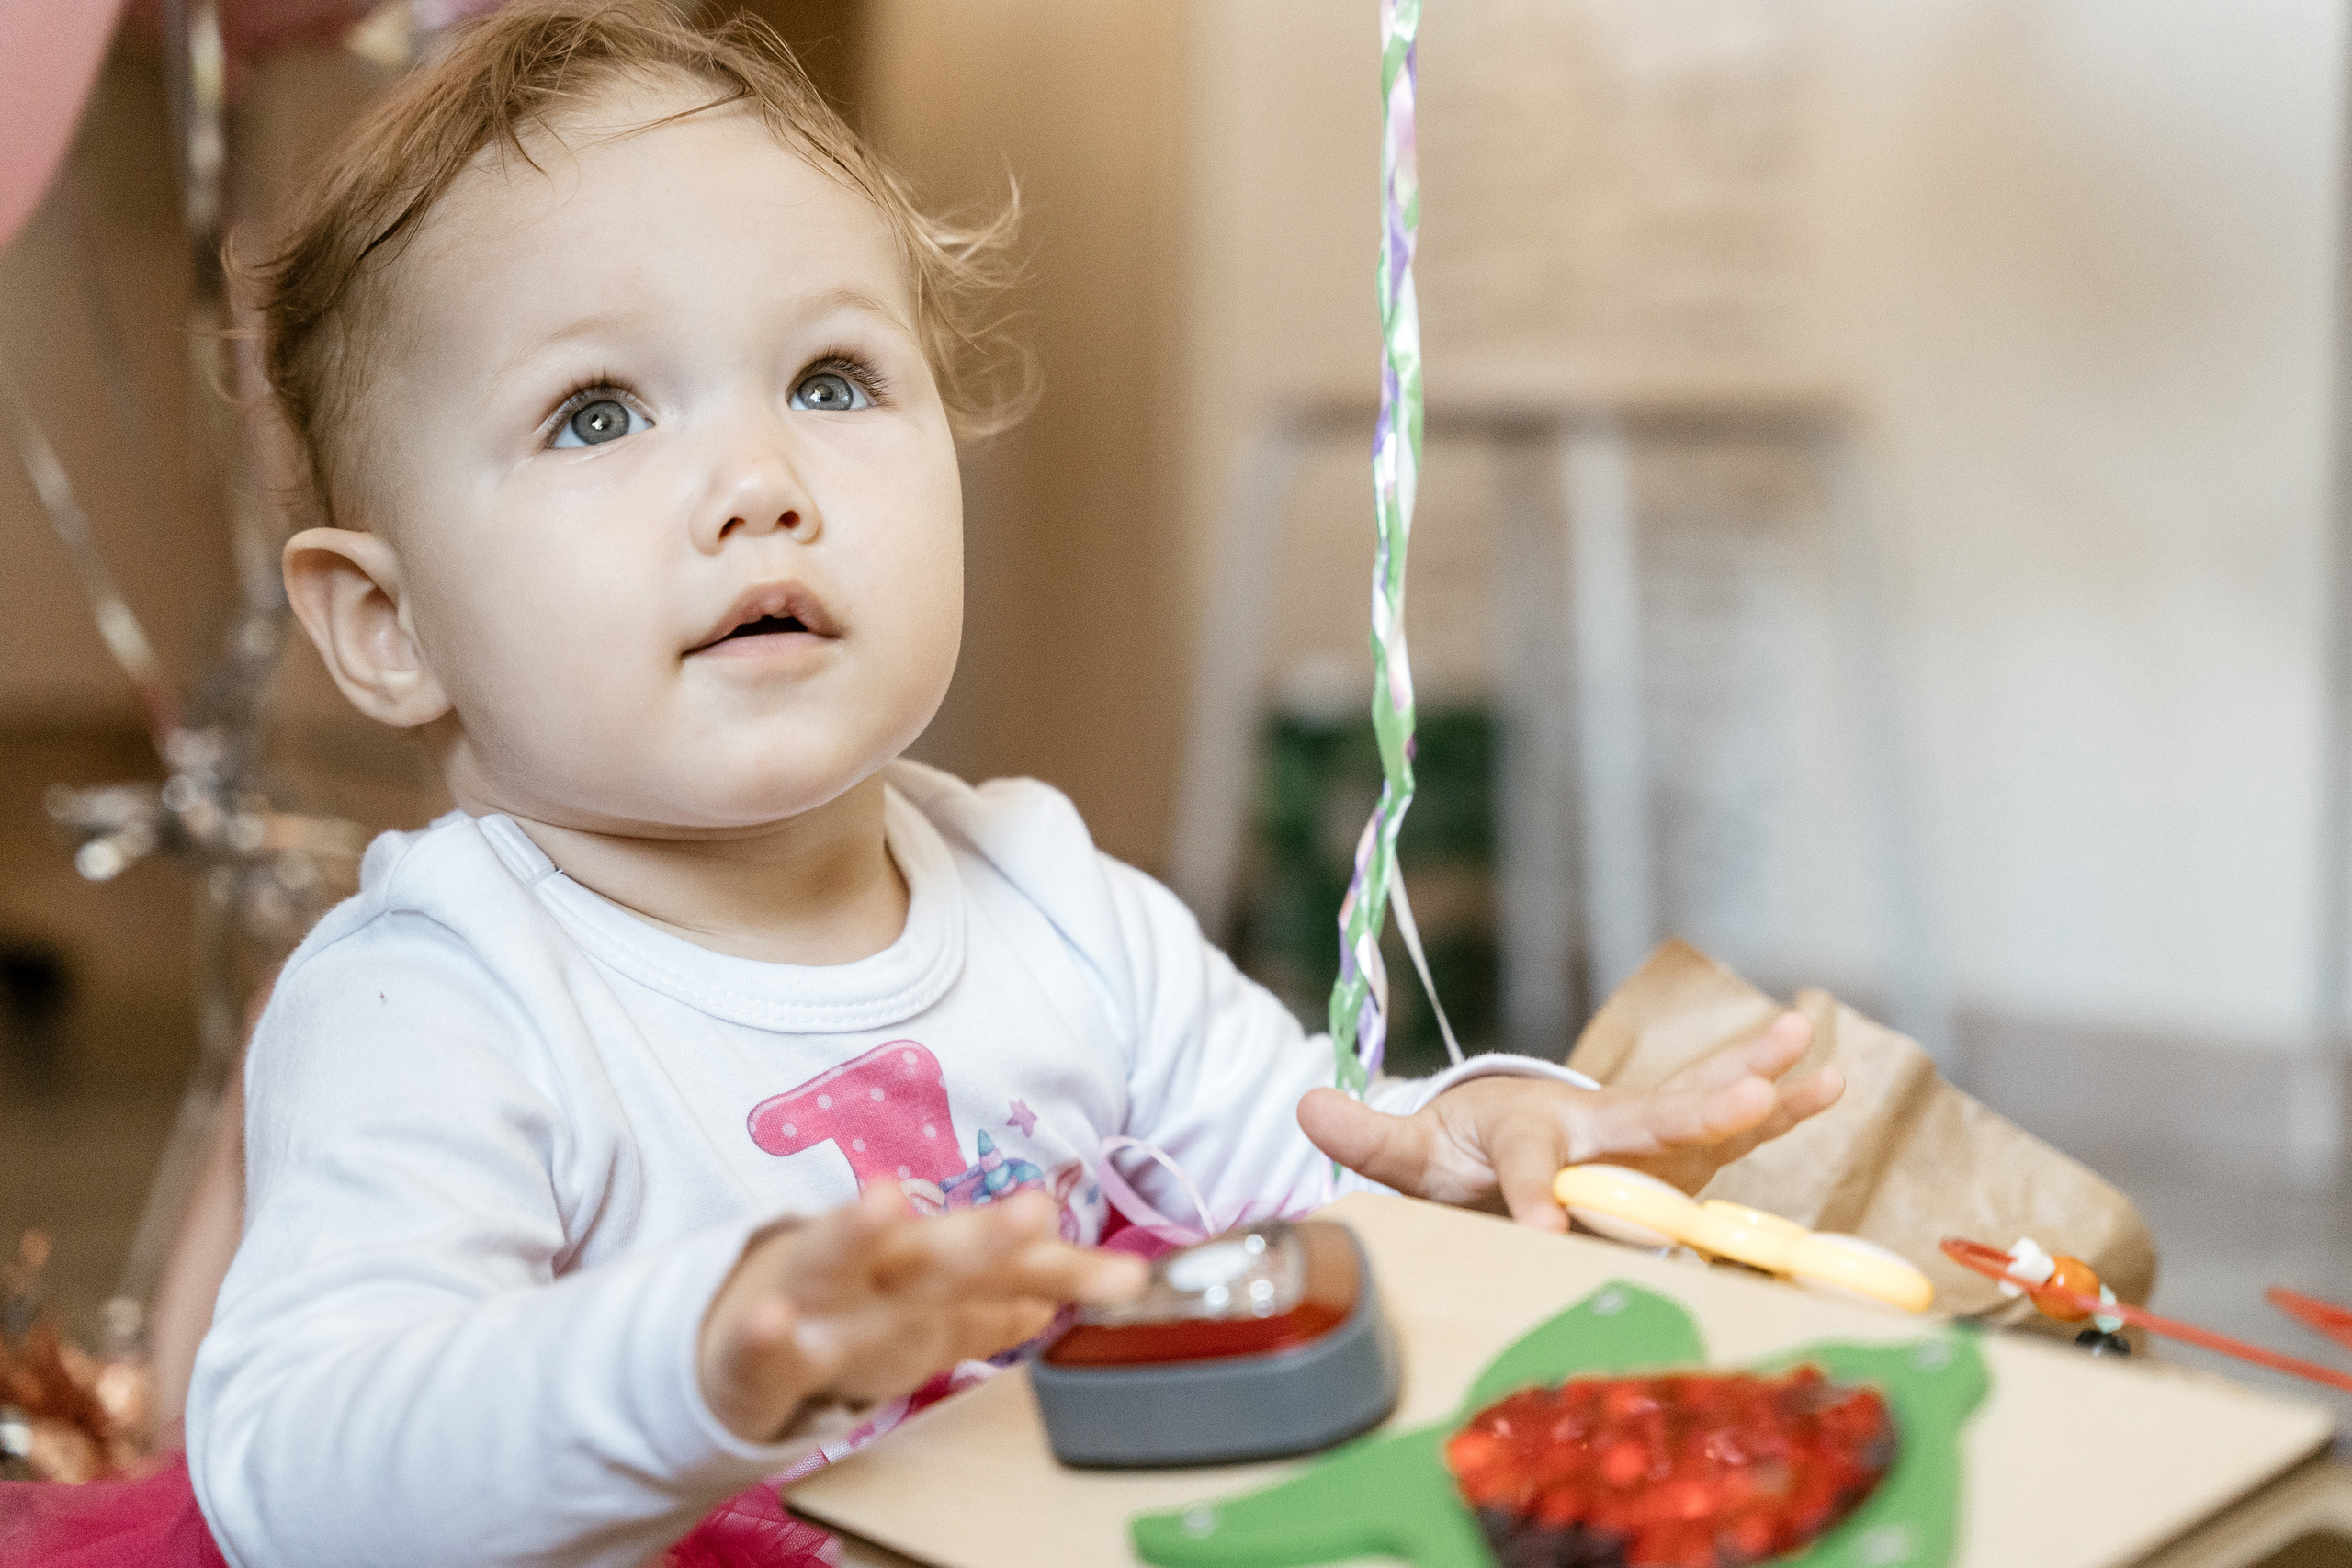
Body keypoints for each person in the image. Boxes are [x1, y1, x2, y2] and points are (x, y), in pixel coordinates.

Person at [184, 6, 1844, 1566]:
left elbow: (1295, 1186)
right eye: (598, 412)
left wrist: (1466, 1136)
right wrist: (693, 1358)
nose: (760, 482)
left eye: (831, 383)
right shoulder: (437, 998)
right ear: (389, 628)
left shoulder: (1046, 892)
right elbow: (295, 1469)